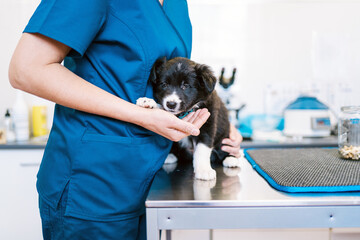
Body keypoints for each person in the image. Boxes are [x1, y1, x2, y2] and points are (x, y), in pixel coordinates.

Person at [9, 0, 242, 239]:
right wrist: (140, 115)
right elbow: (26, 69)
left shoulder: (177, 4)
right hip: (94, 185)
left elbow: (172, 80)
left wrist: (219, 126)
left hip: (154, 185)